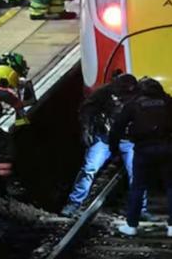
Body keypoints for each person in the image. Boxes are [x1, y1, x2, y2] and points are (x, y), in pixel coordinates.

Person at [61, 73, 152, 219]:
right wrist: (87, 129)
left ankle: (140, 208)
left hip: (128, 139)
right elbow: (87, 109)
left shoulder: (140, 94)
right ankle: (73, 204)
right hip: (106, 137)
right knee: (89, 169)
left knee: (136, 173)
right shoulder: (105, 92)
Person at [112, 77, 172, 237]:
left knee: (138, 187)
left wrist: (114, 150)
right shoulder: (171, 102)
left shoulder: (133, 105)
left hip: (143, 150)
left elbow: (117, 128)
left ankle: (132, 225)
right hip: (170, 148)